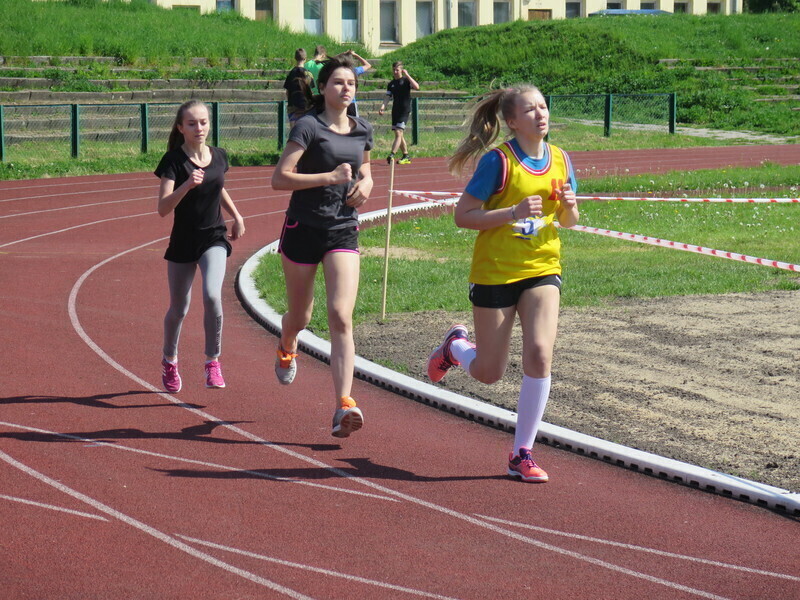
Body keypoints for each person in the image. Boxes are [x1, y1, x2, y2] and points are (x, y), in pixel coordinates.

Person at [426, 85, 579, 482]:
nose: (540, 114)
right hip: (494, 272)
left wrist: (570, 208)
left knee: (540, 353)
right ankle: (455, 348)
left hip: (542, 267)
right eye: (530, 110)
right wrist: (512, 212)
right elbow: (463, 215)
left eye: (543, 106)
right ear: (512, 121)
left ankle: (521, 452)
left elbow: (568, 220)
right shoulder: (499, 162)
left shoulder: (561, 159)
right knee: (489, 372)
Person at [271, 55, 374, 439]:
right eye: (338, 83)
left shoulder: (363, 129)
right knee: (300, 316)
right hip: (303, 227)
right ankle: (287, 342)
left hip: (342, 229)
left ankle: (343, 404)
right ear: (323, 87)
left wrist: (367, 184)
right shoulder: (308, 126)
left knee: (341, 316)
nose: (346, 89)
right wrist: (328, 177)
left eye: (351, 83)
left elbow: (366, 170)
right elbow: (280, 178)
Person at [155, 100, 246, 393]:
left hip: (213, 238)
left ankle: (212, 361)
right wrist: (186, 185)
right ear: (181, 127)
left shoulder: (219, 156)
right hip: (183, 242)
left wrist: (237, 216)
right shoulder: (173, 161)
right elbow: (163, 208)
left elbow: (218, 187)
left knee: (211, 295)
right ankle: (170, 360)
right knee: (178, 308)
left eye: (204, 122)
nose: (199, 128)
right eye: (192, 123)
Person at [378, 61, 419, 165]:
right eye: (394, 70)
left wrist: (407, 75)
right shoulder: (391, 84)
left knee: (398, 132)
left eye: (397, 70)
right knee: (399, 134)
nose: (395, 72)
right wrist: (383, 107)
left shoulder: (406, 81)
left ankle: (392, 154)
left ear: (401, 70)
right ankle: (406, 155)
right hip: (395, 110)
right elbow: (387, 97)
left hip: (404, 110)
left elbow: (416, 87)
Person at [335, 50, 373, 117]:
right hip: (351, 102)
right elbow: (368, 65)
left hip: (339, 101)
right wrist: (356, 55)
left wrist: (341, 54)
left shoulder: (337, 71)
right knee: (354, 121)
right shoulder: (354, 71)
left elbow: (329, 61)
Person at [283, 48, 315, 128]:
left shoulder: (291, 73)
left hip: (293, 106)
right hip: (305, 106)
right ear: (305, 59)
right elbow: (311, 92)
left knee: (293, 130)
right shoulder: (308, 74)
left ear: (295, 58)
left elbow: (287, 92)